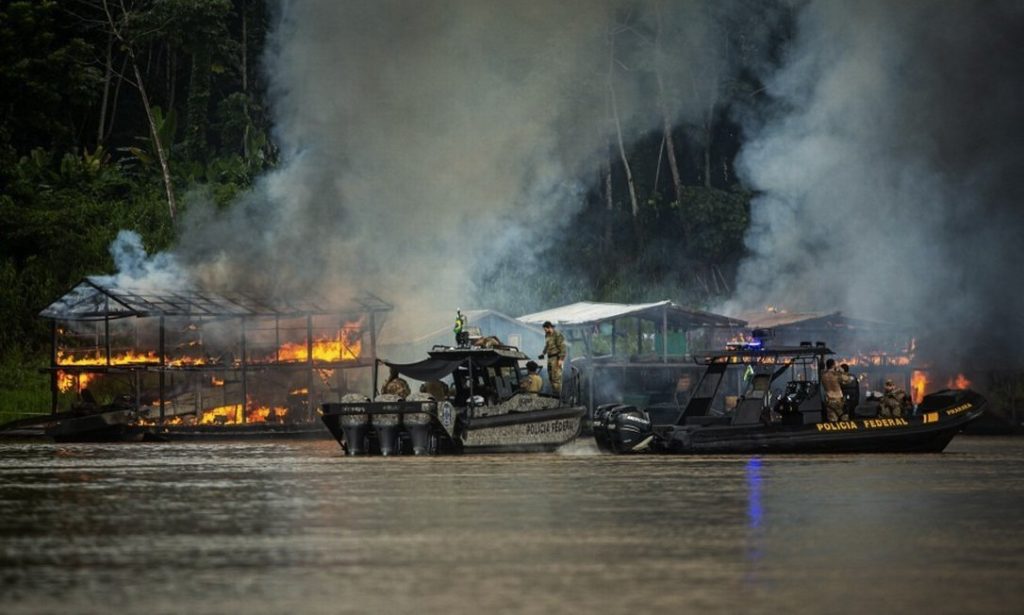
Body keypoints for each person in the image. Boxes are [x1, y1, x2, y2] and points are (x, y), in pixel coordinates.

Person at [538, 321, 567, 395]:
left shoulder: (557, 335)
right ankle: (554, 393)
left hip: (556, 357)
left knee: (556, 377)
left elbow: (562, 347)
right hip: (550, 358)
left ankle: (558, 395)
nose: (544, 330)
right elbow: (547, 345)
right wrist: (543, 353)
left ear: (549, 327)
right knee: (550, 377)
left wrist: (561, 359)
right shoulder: (547, 335)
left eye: (545, 329)